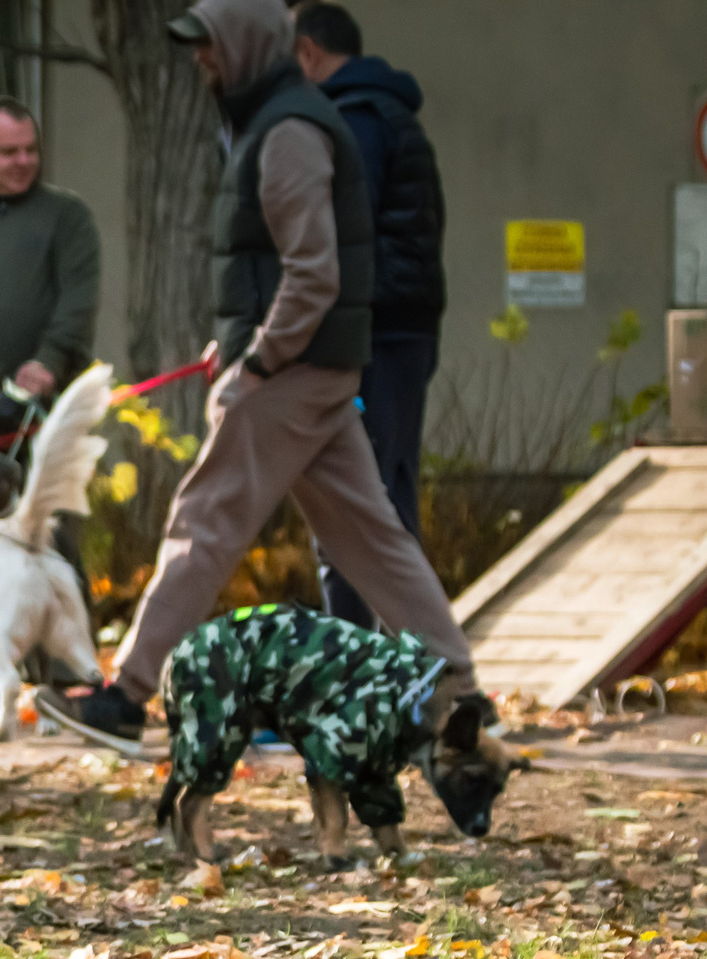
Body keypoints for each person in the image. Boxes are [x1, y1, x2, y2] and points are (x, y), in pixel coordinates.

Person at [51, 0, 474, 754]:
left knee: (202, 522)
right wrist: (245, 343)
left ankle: (126, 695)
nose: (199, 60)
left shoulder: (285, 132)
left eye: (208, 45)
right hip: (314, 367)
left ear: (243, 44)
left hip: (290, 373)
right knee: (372, 540)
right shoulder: (284, 120)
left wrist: (258, 360)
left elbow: (312, 274)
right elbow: (288, 271)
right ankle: (461, 694)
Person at [293, 0, 444, 628]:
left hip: (371, 333)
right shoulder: (389, 116)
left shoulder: (352, 123)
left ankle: (356, 672)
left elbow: (339, 243)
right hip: (402, 329)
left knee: (352, 511)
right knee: (386, 506)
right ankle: (409, 672)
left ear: (307, 53)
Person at [0, 95, 101, 454]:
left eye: (30, 150)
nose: (23, 161)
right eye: (8, 152)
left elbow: (78, 303)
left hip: (31, 417)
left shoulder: (66, 216)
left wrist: (48, 362)